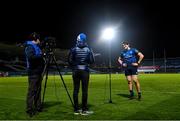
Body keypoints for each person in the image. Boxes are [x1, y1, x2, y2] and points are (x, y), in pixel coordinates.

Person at [68, 33, 95, 115]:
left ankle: (76, 109)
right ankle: (84, 110)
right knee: (84, 91)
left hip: (76, 71)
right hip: (85, 71)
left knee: (76, 90)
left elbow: (69, 60)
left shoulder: (73, 49)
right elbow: (92, 61)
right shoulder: (88, 49)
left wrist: (75, 65)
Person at [24, 32, 45, 117]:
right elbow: (31, 57)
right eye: (39, 39)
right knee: (32, 91)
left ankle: (38, 106)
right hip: (33, 72)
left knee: (38, 90)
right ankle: (29, 109)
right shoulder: (29, 46)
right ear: (36, 39)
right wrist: (41, 55)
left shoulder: (36, 47)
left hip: (38, 72)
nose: (40, 40)